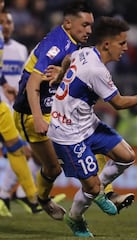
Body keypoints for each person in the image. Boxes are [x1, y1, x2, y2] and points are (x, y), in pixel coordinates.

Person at [47, 16, 137, 237]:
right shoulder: (97, 70)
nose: (126, 48)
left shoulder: (85, 52)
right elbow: (117, 103)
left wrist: (61, 75)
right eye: (122, 43)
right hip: (68, 134)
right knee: (91, 187)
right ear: (107, 44)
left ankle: (100, 191)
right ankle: (76, 218)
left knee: (127, 156)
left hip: (87, 124)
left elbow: (69, 57)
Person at [11, 0, 94, 220]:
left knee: (87, 145)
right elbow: (32, 84)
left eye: (91, 25)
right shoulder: (56, 43)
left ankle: (104, 191)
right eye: (85, 25)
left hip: (52, 110)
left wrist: (64, 69)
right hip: (30, 113)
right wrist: (38, 118)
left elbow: (64, 71)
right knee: (54, 169)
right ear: (68, 23)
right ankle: (43, 199)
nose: (89, 30)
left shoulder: (72, 43)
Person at [0, 1, 41, 217]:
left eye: (9, 22)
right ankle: (21, 196)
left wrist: (6, 85)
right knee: (22, 150)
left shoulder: (20, 49)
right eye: (3, 21)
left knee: (22, 150)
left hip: (11, 109)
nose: (6, 25)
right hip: (3, 108)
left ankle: (26, 196)